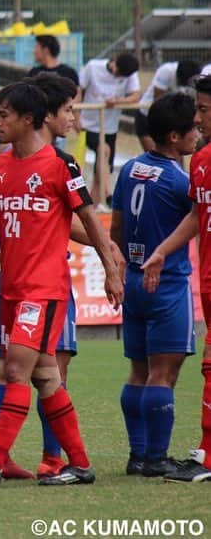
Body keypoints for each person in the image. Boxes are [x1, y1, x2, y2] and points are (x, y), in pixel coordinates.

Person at [0, 81, 123, 487]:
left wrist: (111, 269)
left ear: (28, 119)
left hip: (44, 289)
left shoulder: (59, 165)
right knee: (45, 376)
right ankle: (81, 463)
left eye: (3, 116)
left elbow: (88, 221)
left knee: (16, 370)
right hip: (14, 288)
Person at [111, 93, 197, 478]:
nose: (198, 134)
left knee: (138, 371)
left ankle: (138, 454)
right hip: (165, 281)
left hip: (132, 277)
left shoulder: (129, 169)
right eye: (193, 128)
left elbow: (115, 228)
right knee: (164, 374)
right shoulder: (181, 181)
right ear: (175, 137)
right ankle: (157, 457)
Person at [140, 77, 211, 483]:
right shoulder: (199, 163)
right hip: (198, 279)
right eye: (195, 111)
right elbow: (196, 215)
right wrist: (163, 251)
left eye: (204, 110)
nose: (198, 120)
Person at [77, 53, 141, 210]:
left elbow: (136, 95)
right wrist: (76, 117)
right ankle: (109, 194)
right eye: (117, 72)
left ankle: (91, 212)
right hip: (90, 125)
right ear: (114, 62)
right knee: (103, 149)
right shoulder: (93, 66)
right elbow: (79, 91)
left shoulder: (130, 75)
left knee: (100, 174)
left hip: (110, 127)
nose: (117, 76)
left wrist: (118, 101)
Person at [134, 60, 200, 152]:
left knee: (176, 154)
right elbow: (158, 101)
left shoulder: (194, 79)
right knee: (155, 153)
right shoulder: (166, 70)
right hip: (148, 114)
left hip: (173, 120)